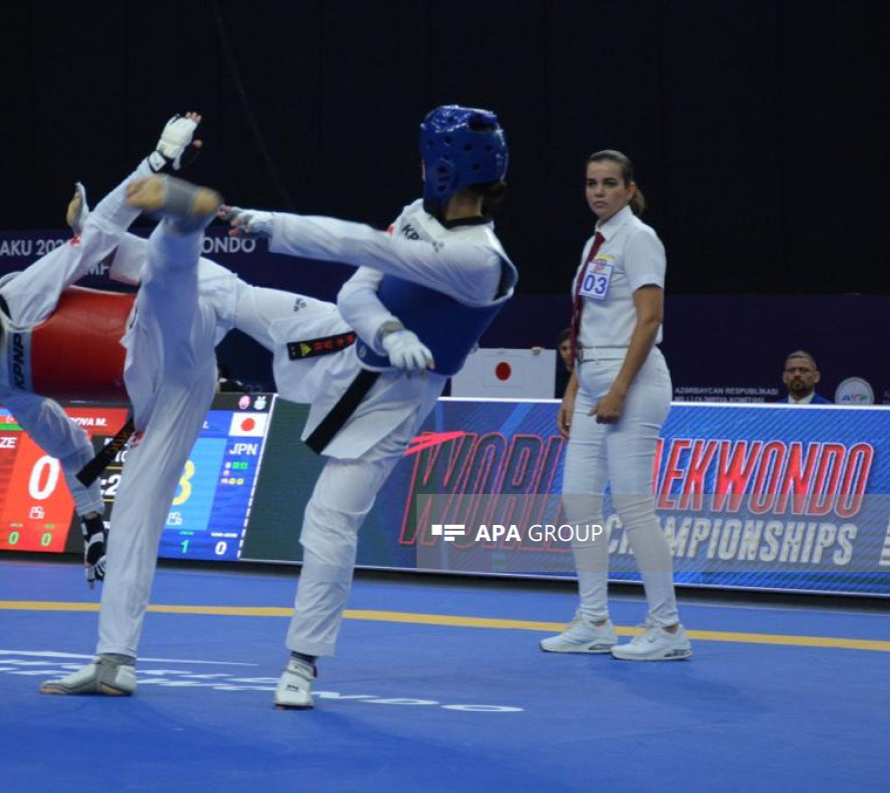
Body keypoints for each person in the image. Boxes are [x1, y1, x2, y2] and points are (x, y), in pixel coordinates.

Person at [0, 113, 348, 697]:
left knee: (165, 270)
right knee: (133, 512)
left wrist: (156, 162)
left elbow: (97, 237)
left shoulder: (16, 295)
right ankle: (115, 662)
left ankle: (191, 220)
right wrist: (91, 520)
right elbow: (72, 447)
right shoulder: (10, 389)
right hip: (171, 394)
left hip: (157, 329)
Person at [222, 104, 518, 708]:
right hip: (339, 341)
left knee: (329, 523)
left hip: (391, 401)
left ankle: (301, 661)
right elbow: (355, 288)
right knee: (228, 293)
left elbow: (350, 242)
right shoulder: (415, 215)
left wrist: (264, 222)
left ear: (441, 168)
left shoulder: (479, 261)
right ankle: (110, 243)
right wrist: (386, 330)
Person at [539, 149, 691, 661]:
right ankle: (595, 620)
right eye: (590, 183)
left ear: (629, 189)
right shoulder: (593, 244)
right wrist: (573, 388)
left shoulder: (640, 239)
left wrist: (619, 388)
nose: (598, 191)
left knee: (632, 503)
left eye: (608, 183)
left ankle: (667, 629)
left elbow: (649, 320)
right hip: (592, 380)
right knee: (579, 499)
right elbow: (587, 323)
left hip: (635, 381)